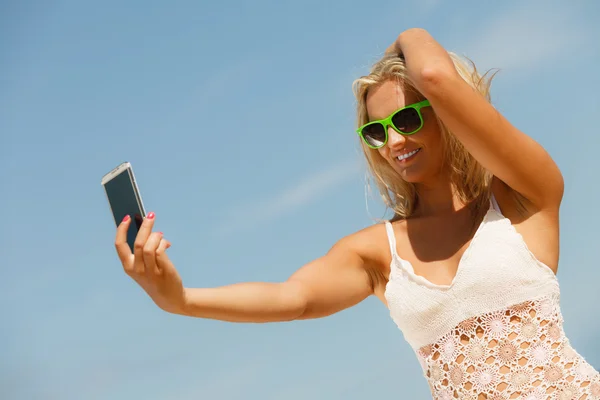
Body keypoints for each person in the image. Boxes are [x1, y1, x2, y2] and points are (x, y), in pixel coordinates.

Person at [113, 28, 600, 399]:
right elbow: (292, 297)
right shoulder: (377, 252)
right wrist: (179, 300)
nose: (394, 142)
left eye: (407, 118)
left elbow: (435, 75)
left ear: (446, 111)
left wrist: (404, 40)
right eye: (376, 131)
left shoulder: (522, 197)